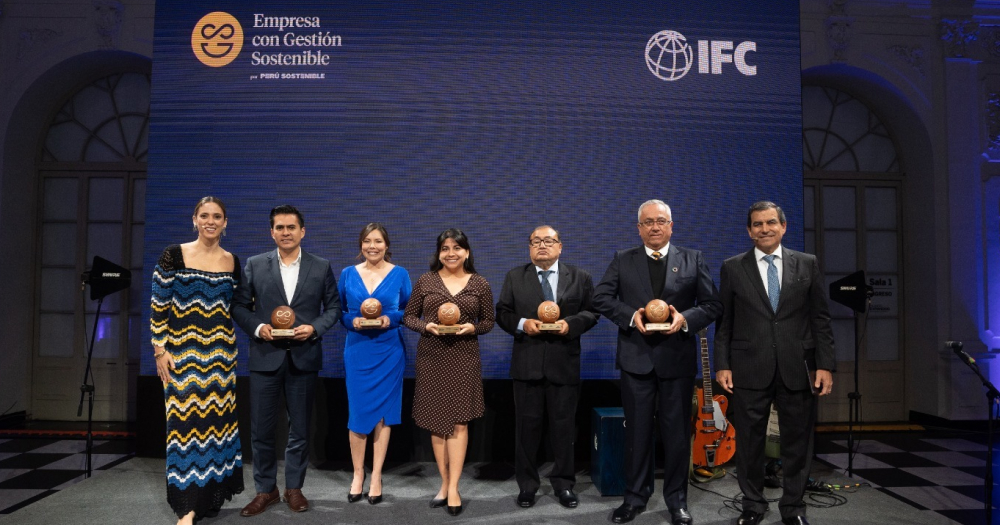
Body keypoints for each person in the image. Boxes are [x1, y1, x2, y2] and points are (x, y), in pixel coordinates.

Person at [593, 199, 723, 525]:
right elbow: (601, 298)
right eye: (648, 222)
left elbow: (712, 304)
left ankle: (677, 501)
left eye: (661, 221)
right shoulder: (623, 259)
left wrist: (685, 318)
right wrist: (630, 315)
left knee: (677, 436)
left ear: (671, 226)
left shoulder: (693, 259)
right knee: (637, 435)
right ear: (639, 228)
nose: (654, 227)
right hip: (636, 361)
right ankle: (634, 498)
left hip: (677, 362)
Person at [714, 201, 835, 525]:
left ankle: (793, 508)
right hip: (748, 367)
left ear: (783, 226)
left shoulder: (807, 263)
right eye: (757, 224)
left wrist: (825, 365)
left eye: (770, 222)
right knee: (749, 443)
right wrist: (722, 364)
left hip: (798, 367)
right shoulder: (732, 267)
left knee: (797, 443)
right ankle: (753, 505)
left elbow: (820, 318)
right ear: (749, 231)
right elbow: (725, 322)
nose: (764, 229)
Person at [231, 204, 341, 517]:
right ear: (272, 232)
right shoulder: (255, 264)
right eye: (279, 227)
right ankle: (266, 490)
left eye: (291, 227)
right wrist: (258, 328)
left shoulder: (320, 266)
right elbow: (239, 306)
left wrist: (314, 328)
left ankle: (294, 488)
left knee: (300, 430)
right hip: (265, 357)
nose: (285, 232)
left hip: (304, 358)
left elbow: (333, 308)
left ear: (302, 231)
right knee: (261, 431)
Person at [151, 196, 243, 525]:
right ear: (194, 219)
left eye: (217, 216)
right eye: (204, 215)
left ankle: (209, 497)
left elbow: (236, 306)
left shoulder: (232, 261)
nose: (210, 221)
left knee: (217, 428)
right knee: (185, 428)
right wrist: (160, 350)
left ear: (225, 222)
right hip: (181, 357)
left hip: (221, 358)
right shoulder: (174, 255)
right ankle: (187, 507)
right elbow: (158, 305)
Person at [496, 225, 599, 509]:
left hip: (564, 365)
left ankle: (564, 484)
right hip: (526, 365)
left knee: (564, 430)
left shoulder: (580, 277)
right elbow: (502, 312)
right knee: (526, 430)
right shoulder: (515, 276)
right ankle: (527, 486)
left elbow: (592, 312)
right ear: (529, 247)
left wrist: (571, 324)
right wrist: (522, 324)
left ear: (560, 246)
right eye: (536, 241)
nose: (542, 245)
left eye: (548, 241)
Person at [402, 228, 495, 517]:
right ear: (438, 253)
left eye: (457, 248)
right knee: (436, 423)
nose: (451, 253)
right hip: (432, 357)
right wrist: (426, 326)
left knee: (459, 423)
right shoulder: (426, 281)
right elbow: (408, 316)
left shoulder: (480, 283)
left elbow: (489, 321)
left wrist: (472, 328)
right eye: (445, 248)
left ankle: (454, 487)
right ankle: (443, 484)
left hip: (464, 358)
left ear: (466, 252)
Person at [337, 223, 412, 505]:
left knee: (383, 415)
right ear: (361, 245)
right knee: (357, 413)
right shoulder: (347, 273)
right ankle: (358, 474)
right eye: (367, 241)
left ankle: (377, 475)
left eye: (378, 241)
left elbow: (408, 310)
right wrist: (352, 320)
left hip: (389, 351)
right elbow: (339, 310)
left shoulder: (400, 273)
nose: (372, 246)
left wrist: (389, 319)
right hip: (358, 350)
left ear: (386, 245)